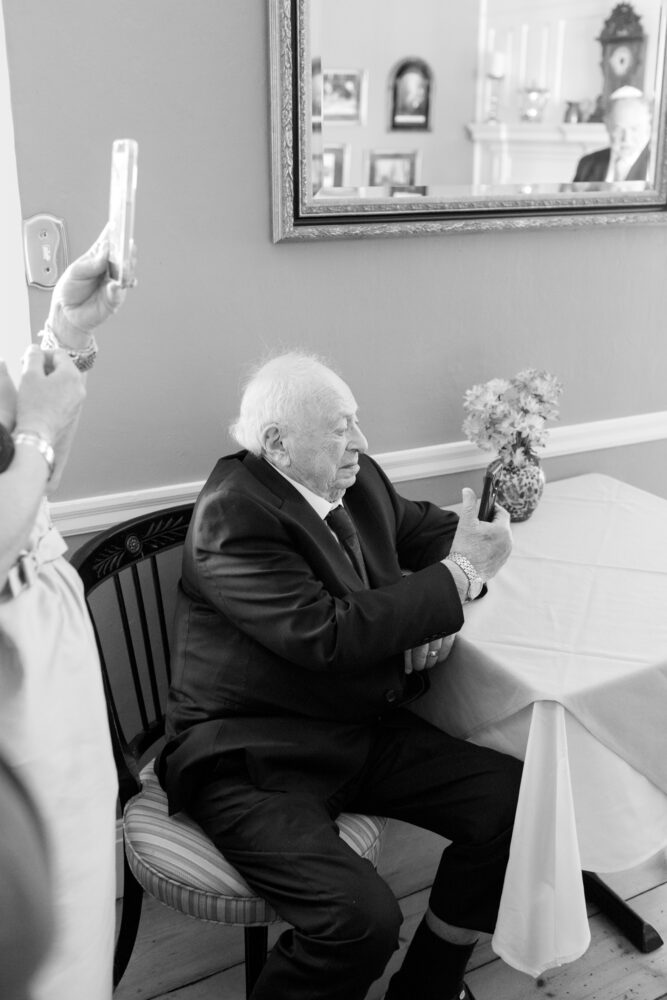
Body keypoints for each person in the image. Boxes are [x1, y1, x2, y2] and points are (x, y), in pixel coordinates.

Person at [157, 352, 523, 1000]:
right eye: (339, 427)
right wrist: (455, 582)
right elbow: (328, 635)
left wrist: (462, 568)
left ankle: (427, 988)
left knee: (513, 802)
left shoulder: (354, 478)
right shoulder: (231, 515)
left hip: (354, 729)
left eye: (355, 421)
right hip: (250, 757)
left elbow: (434, 536)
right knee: (359, 921)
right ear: (278, 444)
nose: (361, 441)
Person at [0, 231, 130, 1000]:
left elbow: (24, 478)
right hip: (11, 668)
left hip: (45, 637)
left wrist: (67, 334)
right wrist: (40, 432)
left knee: (74, 899)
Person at [573, 86, 652, 182]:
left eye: (634, 129)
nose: (626, 138)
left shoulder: (658, 167)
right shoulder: (587, 164)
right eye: (619, 129)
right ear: (607, 125)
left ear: (647, 127)